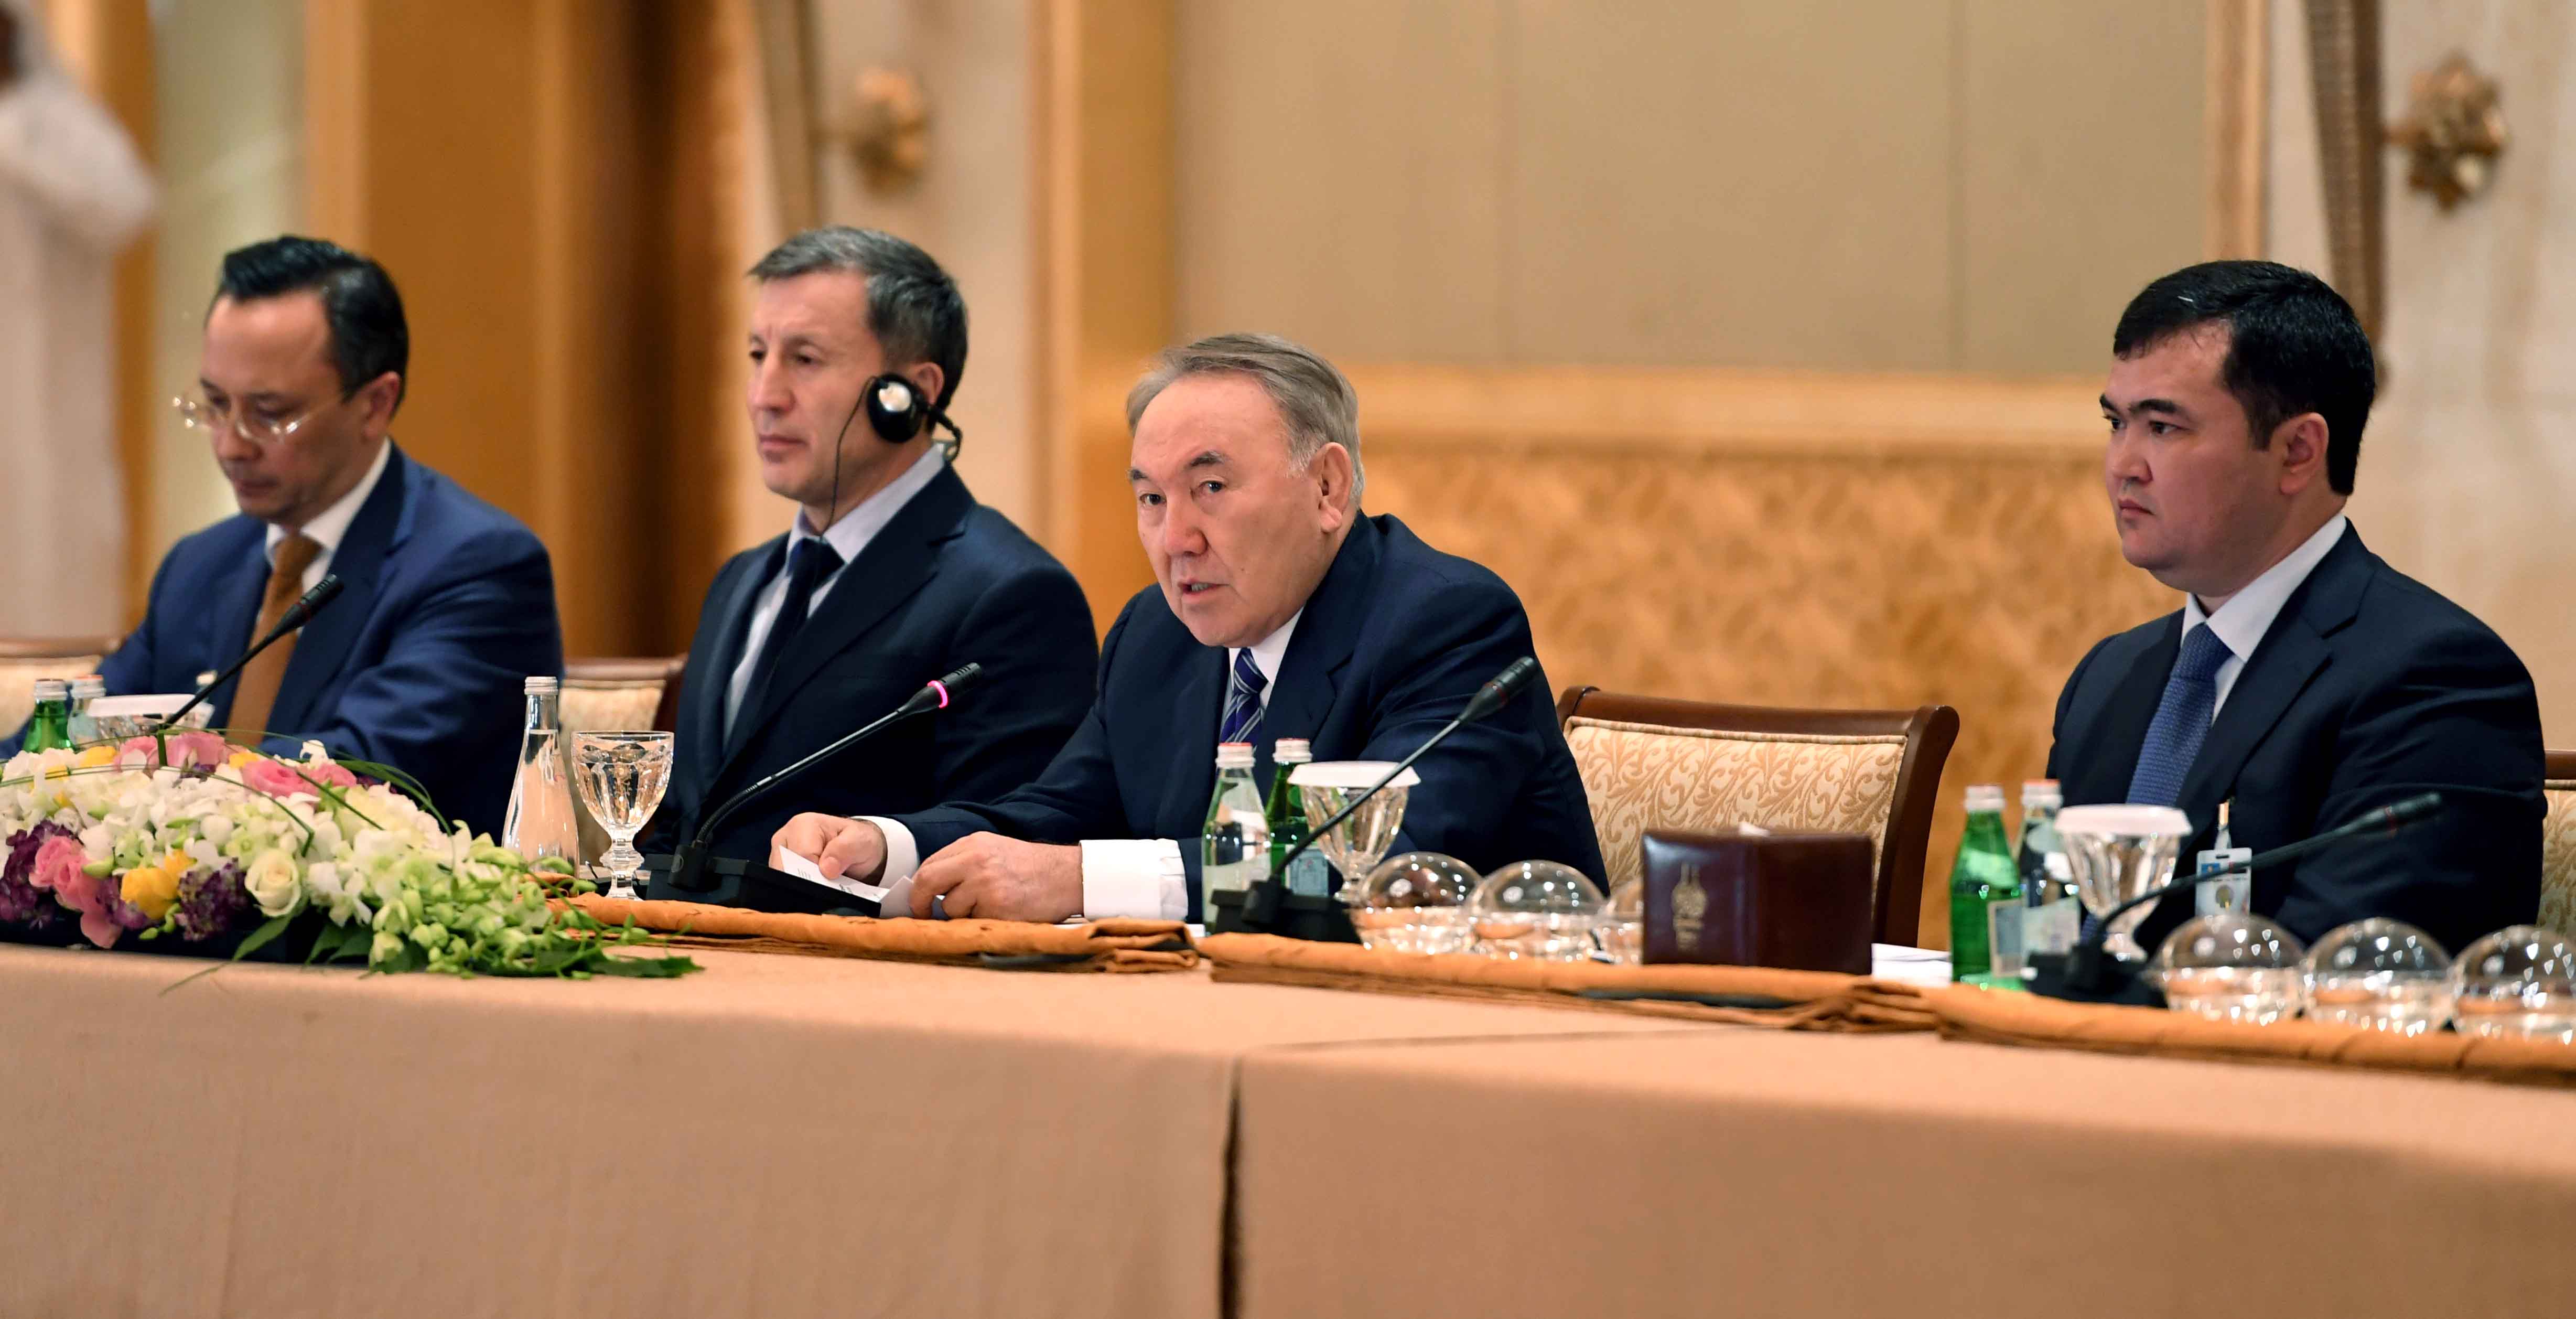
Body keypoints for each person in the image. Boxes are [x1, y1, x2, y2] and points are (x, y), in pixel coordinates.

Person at [772, 333, 1605, 923]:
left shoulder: (1446, 622)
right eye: (1150, 497)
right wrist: (887, 844)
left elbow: (1370, 866)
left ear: (1327, 488)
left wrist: (1082, 881)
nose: (1176, 539)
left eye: (1210, 488)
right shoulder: (1156, 633)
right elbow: (1058, 814)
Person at [2050, 260, 2542, 955]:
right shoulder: (2108, 678)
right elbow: (2042, 935)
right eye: (2115, 422)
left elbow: (2336, 965)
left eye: (2161, 427)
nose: (2122, 465)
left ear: (2297, 452)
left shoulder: (2435, 680)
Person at [3, 235, 564, 837]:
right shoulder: (199, 566)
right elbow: (65, 739)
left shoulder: (477, 567)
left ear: (375, 404)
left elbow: (355, 772)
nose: (230, 444)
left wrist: (140, 794)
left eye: (270, 414)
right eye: (215, 404)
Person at [650, 228, 1094, 898]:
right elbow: (682, 824)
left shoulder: (1013, 593)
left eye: (804, 359)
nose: (764, 394)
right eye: (758, 354)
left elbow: (1008, 848)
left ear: (909, 392)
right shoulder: (741, 579)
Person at [0, 0, 155, 634]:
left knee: (42, 572)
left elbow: (126, 205)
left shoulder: (55, 121)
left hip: (42, 412)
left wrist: (14, 138)